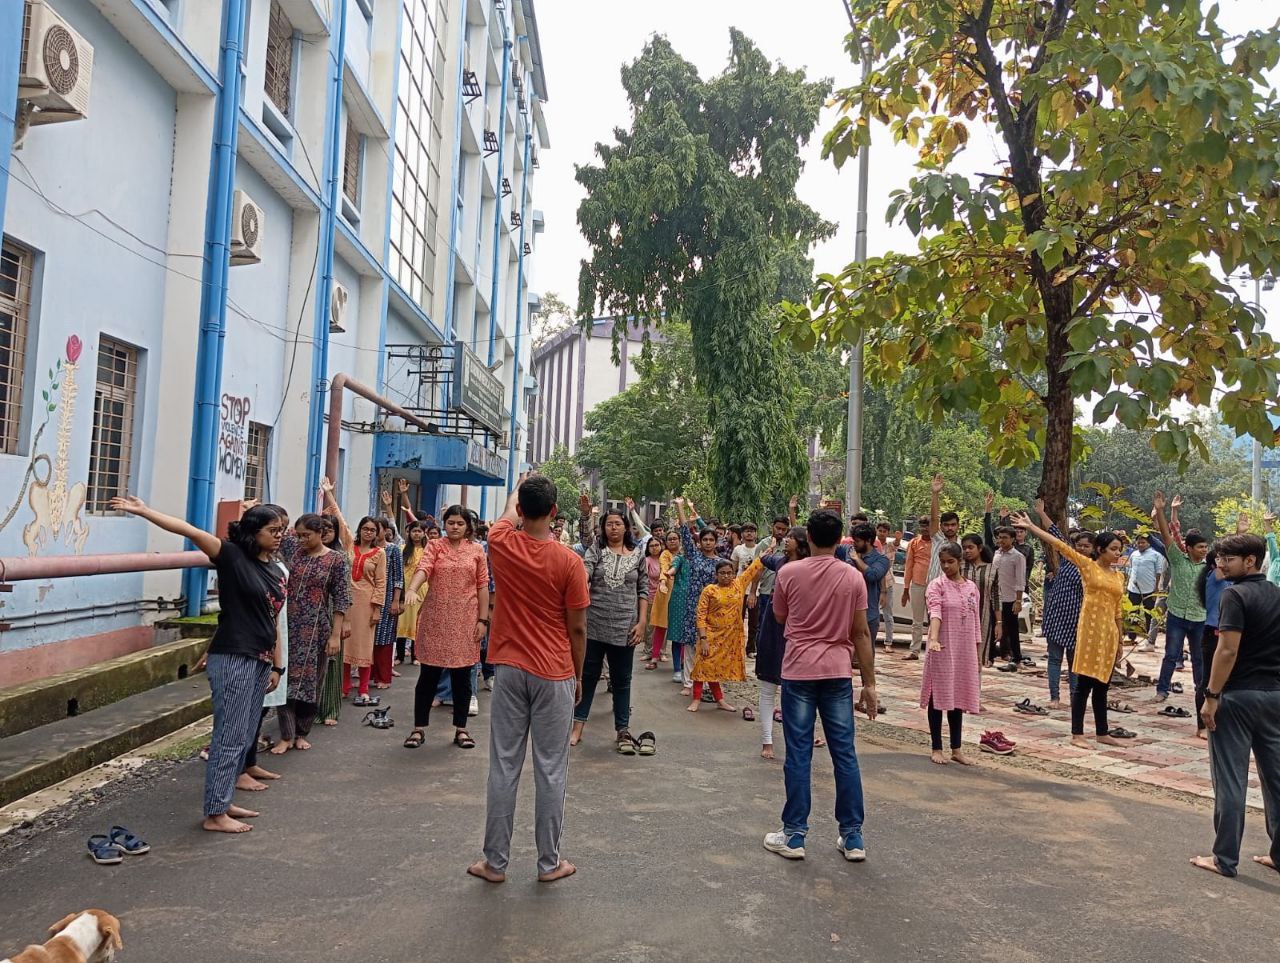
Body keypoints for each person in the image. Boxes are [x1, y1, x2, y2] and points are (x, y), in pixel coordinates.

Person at [111, 496, 285, 834]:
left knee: (246, 732)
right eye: (273, 530)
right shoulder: (231, 556)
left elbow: (273, 620)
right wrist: (146, 511)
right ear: (253, 532)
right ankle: (215, 812)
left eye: (282, 530)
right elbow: (189, 530)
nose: (280, 536)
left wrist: (277, 666)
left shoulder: (274, 568)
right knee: (229, 735)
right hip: (234, 657)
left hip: (261, 659)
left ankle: (224, 798)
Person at [468, 475, 588, 885]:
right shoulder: (570, 561)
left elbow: (504, 513)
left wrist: (518, 485)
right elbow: (577, 629)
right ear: (554, 512)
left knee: (504, 765)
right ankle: (549, 862)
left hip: (509, 668)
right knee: (551, 769)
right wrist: (579, 674)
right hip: (554, 671)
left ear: (521, 510)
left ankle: (495, 863)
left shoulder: (501, 542)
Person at [764, 509, 877, 863]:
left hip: (799, 670)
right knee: (844, 753)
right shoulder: (853, 578)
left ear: (808, 538)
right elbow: (860, 633)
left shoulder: (789, 573)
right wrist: (870, 684)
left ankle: (795, 835)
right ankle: (852, 836)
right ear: (839, 537)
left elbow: (780, 616)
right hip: (838, 670)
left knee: (799, 752)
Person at [1192, 532, 1280, 877]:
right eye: (1219, 558)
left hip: (1238, 697)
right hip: (1273, 696)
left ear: (1251, 561)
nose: (1221, 563)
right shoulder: (1276, 594)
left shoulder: (1235, 595)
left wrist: (1211, 697)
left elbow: (1227, 650)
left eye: (1229, 558)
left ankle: (1223, 859)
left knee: (1230, 781)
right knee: (1276, 780)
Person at [1011, 513, 1134, 747]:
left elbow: (1118, 611)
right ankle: (1077, 734)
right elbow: (1059, 544)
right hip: (1089, 632)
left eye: (1120, 549)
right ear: (1101, 549)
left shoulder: (1118, 577)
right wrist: (1031, 527)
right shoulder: (1088, 567)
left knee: (1102, 686)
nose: (1118, 553)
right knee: (1084, 684)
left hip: (1108, 634)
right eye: (1114, 549)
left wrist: (1119, 640)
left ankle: (1102, 732)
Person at [403, 504, 490, 750]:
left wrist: (483, 620)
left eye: (460, 523)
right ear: (444, 524)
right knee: (428, 676)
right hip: (435, 619)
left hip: (466, 620)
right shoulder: (434, 546)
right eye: (450, 522)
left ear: (467, 527)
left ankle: (461, 729)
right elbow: (424, 569)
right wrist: (412, 588)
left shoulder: (476, 551)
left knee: (462, 677)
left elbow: (482, 586)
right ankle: (418, 728)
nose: (454, 527)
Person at [571, 508, 651, 752]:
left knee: (622, 680)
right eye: (609, 524)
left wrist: (642, 622)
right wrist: (581, 580)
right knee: (588, 676)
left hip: (625, 627)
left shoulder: (638, 555)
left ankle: (622, 729)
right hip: (594, 624)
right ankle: (577, 727)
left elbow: (643, 590)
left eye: (617, 523)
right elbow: (586, 569)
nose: (613, 528)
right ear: (603, 528)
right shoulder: (597, 549)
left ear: (626, 527)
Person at [273, 513, 351, 753]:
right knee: (284, 679)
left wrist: (335, 635)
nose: (302, 540)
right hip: (287, 625)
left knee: (312, 681)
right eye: (299, 535)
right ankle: (286, 734)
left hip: (317, 627)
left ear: (320, 534)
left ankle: (302, 732)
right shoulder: (293, 549)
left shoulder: (336, 560)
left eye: (307, 535)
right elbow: (271, 531)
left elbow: (342, 599)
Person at [922, 543, 981, 765]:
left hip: (964, 650)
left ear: (960, 562)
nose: (946, 566)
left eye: (951, 562)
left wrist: (977, 654)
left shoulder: (972, 588)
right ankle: (937, 747)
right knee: (937, 696)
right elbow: (935, 612)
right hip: (942, 647)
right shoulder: (936, 586)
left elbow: (975, 621)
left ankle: (956, 748)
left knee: (958, 696)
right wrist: (934, 639)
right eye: (943, 562)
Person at [755, 526, 811, 759]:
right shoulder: (779, 561)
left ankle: (800, 736)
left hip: (797, 630)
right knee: (768, 687)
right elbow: (764, 558)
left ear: (802, 543)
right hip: (772, 628)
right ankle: (767, 740)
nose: (785, 541)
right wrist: (766, 551)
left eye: (790, 538)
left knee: (798, 691)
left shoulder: (810, 568)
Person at [1033, 499, 1091, 707]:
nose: (1082, 549)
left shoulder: (1093, 569)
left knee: (1075, 662)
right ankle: (1055, 697)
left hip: (1078, 620)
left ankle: (1076, 698)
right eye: (1079, 545)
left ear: (1093, 549)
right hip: (1057, 615)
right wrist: (1041, 513)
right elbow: (1054, 534)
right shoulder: (1068, 557)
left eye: (1087, 546)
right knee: (1054, 659)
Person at [1152, 492, 1207, 707]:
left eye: (1205, 547)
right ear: (1189, 548)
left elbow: (1228, 547)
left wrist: (1241, 532)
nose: (1204, 550)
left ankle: (1200, 690)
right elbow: (1167, 534)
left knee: (1198, 658)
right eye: (1200, 547)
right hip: (1176, 615)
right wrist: (1162, 510)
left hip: (1199, 617)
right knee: (1171, 655)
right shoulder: (1177, 559)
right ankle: (1162, 689)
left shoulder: (1208, 566)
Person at [690, 556, 764, 713]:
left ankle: (720, 700)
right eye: (722, 573)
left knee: (714, 669)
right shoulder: (709, 590)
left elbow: (753, 568)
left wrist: (768, 550)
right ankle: (696, 699)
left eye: (729, 573)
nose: (726, 576)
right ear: (716, 574)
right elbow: (701, 615)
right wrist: (703, 638)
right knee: (702, 665)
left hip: (730, 637)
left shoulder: (739, 584)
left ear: (734, 573)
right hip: (710, 635)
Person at [674, 497, 724, 695]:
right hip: (693, 605)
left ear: (716, 541)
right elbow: (685, 532)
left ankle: (708, 683)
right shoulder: (694, 556)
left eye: (711, 539)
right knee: (691, 643)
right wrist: (680, 507)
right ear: (700, 542)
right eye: (705, 539)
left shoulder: (722, 563)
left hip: (714, 609)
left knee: (710, 645)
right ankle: (689, 682)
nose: (708, 542)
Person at [316, 513, 348, 726]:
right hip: (312, 614)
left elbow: (346, 594)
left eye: (330, 528)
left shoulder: (340, 556)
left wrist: (346, 622)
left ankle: (330, 710)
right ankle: (311, 710)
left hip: (333, 613)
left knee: (333, 661)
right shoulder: (306, 554)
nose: (325, 532)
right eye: (321, 528)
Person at [989, 518, 1028, 673]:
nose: (1001, 540)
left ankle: (1017, 658)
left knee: (1011, 630)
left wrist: (1018, 600)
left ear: (1012, 539)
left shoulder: (1018, 557)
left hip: (1010, 598)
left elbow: (1020, 580)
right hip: (995, 597)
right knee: (992, 626)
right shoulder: (996, 553)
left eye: (1005, 537)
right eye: (999, 537)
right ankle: (990, 656)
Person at [371, 516, 404, 689]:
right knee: (367, 638)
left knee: (384, 639)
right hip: (367, 600)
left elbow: (398, 578)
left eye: (378, 529)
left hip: (387, 598)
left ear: (386, 531)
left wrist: (396, 601)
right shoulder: (365, 549)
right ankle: (366, 675)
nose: (374, 533)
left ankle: (383, 677)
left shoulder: (393, 550)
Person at [847, 524, 890, 644]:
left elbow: (873, 575)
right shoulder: (850, 551)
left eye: (858, 541)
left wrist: (857, 560)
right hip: (848, 613)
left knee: (866, 655)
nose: (854, 544)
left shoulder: (881, 560)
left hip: (869, 615)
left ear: (869, 541)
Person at [960, 534, 998, 667]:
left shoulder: (991, 569)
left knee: (979, 657)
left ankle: (975, 687)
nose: (967, 551)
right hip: (961, 618)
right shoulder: (960, 567)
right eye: (964, 548)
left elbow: (996, 597)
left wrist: (999, 623)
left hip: (984, 618)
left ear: (980, 548)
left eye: (971, 547)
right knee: (961, 655)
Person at [901, 515, 933, 660]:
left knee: (935, 619)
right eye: (922, 525)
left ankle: (934, 649)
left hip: (935, 585)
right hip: (918, 584)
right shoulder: (914, 543)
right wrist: (906, 588)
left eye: (927, 525)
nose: (925, 528)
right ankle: (914, 650)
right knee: (917, 620)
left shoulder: (938, 542)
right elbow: (908, 565)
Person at [396, 519, 427, 665]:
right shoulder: (402, 549)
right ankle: (400, 656)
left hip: (422, 590)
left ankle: (416, 656)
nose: (416, 534)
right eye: (414, 531)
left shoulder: (428, 551)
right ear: (409, 533)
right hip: (405, 589)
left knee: (418, 623)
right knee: (402, 621)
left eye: (419, 531)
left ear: (424, 533)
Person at [1125, 532, 1166, 643]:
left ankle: (1148, 639)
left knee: (1149, 614)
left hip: (1149, 589)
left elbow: (1158, 573)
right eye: (1138, 542)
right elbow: (1130, 570)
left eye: (1143, 542)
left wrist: (1156, 589)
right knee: (1132, 613)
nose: (1140, 544)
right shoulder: (1133, 554)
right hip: (1133, 589)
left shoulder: (1156, 555)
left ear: (1148, 543)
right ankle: (1131, 637)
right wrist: (1127, 584)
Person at [661, 530, 690, 684]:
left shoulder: (699, 560)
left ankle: (686, 666)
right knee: (678, 637)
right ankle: (677, 669)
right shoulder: (679, 558)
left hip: (695, 601)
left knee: (691, 638)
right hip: (678, 601)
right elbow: (673, 568)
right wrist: (669, 573)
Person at [643, 535, 671, 671]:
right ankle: (648, 651)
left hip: (664, 596)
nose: (654, 548)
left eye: (657, 545)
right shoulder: (647, 560)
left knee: (662, 624)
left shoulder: (666, 559)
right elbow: (643, 579)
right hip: (650, 595)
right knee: (650, 625)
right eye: (651, 546)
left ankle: (662, 652)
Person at [877, 522, 899, 651]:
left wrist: (898, 539)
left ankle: (888, 643)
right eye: (880, 530)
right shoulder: (872, 544)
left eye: (884, 531)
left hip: (888, 582)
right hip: (874, 582)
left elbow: (897, 544)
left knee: (887, 614)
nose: (882, 533)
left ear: (887, 533)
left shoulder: (890, 546)